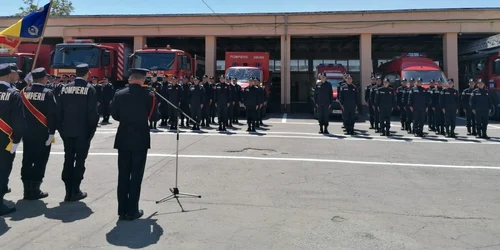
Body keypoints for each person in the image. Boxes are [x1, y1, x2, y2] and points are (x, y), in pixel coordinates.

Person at [111, 68, 158, 221]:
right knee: (136, 175)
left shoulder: (119, 94)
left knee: (123, 175)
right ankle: (133, 210)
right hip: (140, 138)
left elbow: (115, 115)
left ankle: (122, 210)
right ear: (143, 80)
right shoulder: (149, 95)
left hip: (123, 137)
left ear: (130, 79)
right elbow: (153, 116)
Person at [58, 64, 99, 202]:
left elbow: (59, 110)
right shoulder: (89, 89)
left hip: (67, 131)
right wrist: (91, 131)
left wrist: (61, 129)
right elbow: (92, 114)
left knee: (68, 159)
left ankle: (67, 191)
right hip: (83, 131)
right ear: (87, 73)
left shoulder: (64, 88)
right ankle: (75, 190)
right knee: (80, 161)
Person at [20, 67, 57, 200]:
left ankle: (26, 189)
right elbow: (52, 115)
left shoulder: (23, 92)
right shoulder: (48, 93)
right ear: (43, 78)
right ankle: (35, 190)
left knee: (27, 160)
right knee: (40, 161)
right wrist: (52, 132)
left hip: (26, 133)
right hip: (42, 132)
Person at [0, 64, 24, 216]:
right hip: (6, 138)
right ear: (9, 75)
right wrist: (16, 140)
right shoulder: (13, 94)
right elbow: (19, 121)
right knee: (3, 170)